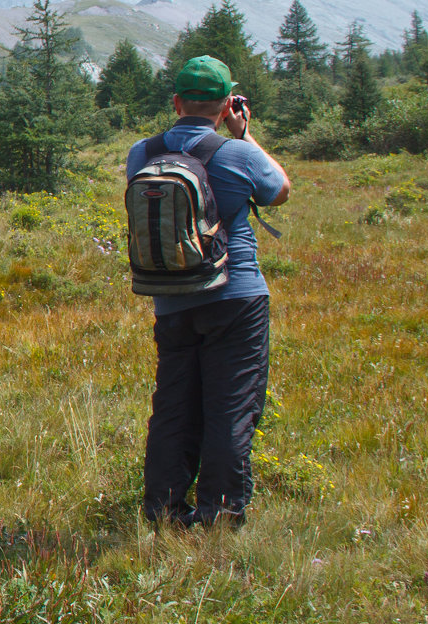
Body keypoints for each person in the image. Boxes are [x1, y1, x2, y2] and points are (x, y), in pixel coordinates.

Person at [126, 55, 291, 529]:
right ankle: (219, 517)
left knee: (174, 408)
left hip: (170, 299)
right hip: (234, 296)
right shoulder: (236, 152)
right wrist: (244, 134)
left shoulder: (144, 153)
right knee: (230, 407)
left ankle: (163, 512)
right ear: (224, 106)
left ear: (175, 102)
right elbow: (279, 190)